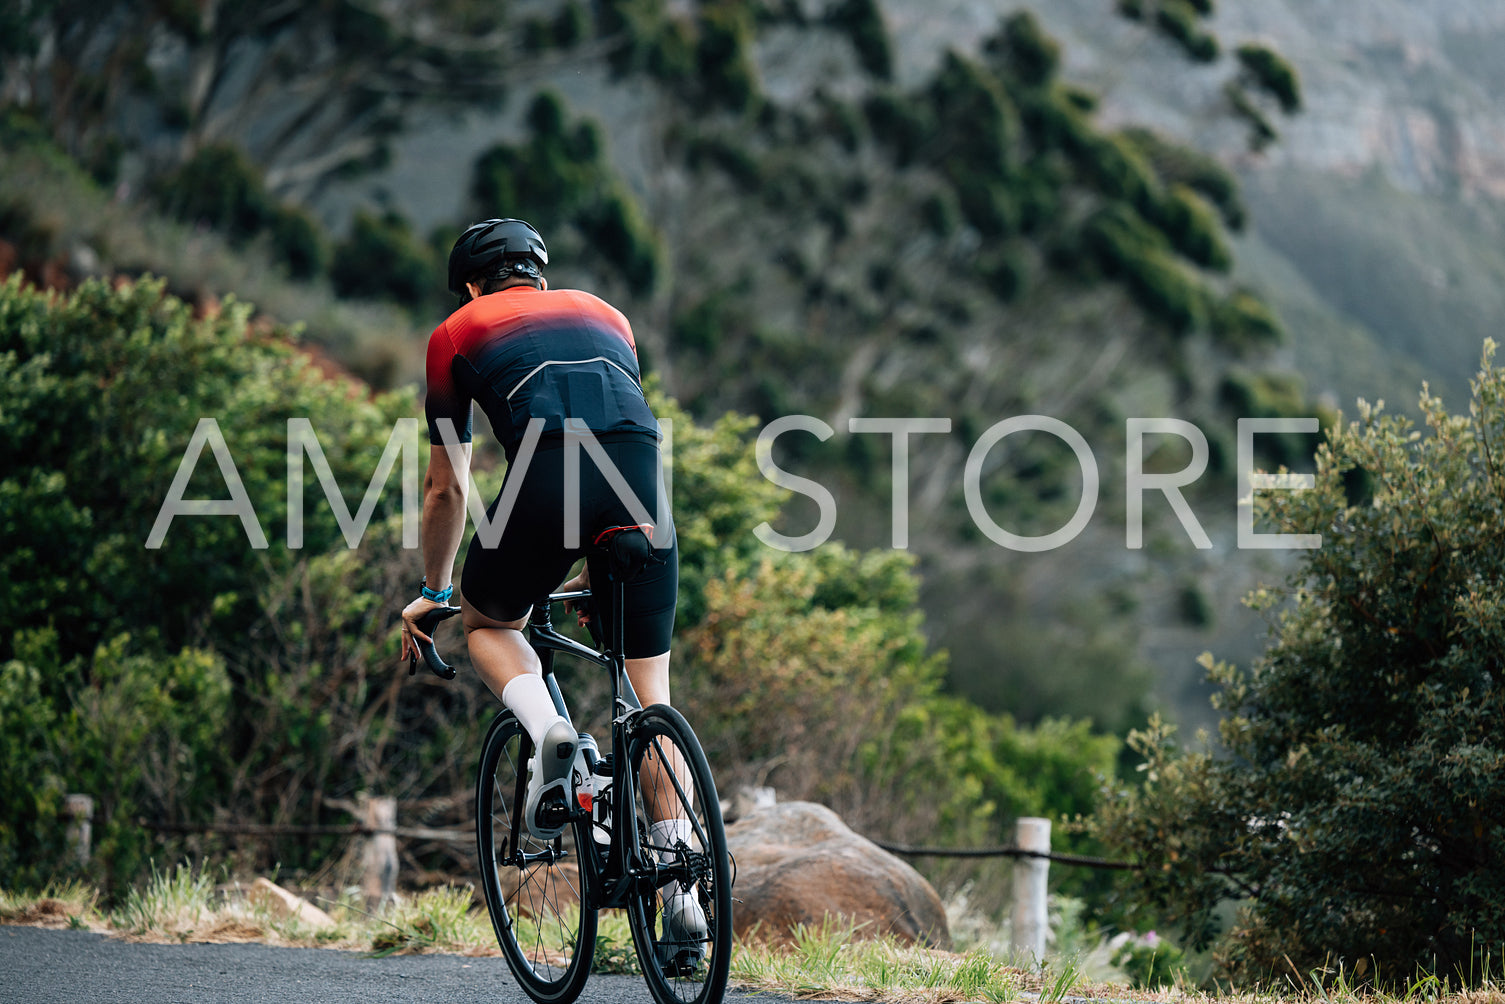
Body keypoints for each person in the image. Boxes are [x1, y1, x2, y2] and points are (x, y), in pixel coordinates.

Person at [397, 218, 703, 946]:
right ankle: (685, 897)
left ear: (472, 282)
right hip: (640, 491)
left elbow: (447, 488)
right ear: (537, 271)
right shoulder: (607, 314)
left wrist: (437, 591)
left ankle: (550, 734)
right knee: (647, 697)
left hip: (547, 478)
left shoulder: (455, 331)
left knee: (490, 623)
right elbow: (615, 421)